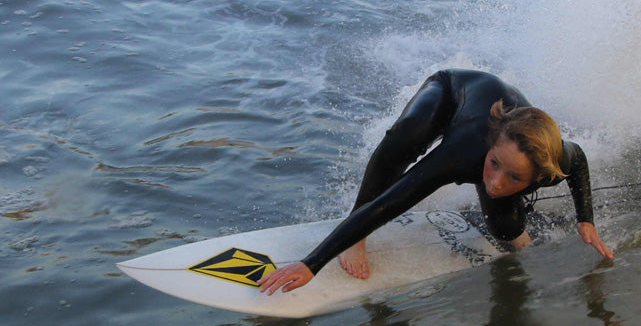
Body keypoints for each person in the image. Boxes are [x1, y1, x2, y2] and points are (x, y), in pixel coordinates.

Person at [258, 68, 613, 294]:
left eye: (515, 177)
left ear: (539, 176)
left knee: (505, 228)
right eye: (493, 165)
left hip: (505, 136)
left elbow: (579, 159)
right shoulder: (461, 153)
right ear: (490, 147)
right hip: (450, 92)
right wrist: (312, 263)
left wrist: (586, 220)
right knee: (404, 138)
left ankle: (519, 232)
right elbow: (392, 201)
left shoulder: (552, 162)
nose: (494, 183)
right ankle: (358, 239)